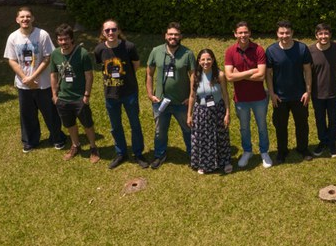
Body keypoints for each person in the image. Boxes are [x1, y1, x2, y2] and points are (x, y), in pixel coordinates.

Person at [3, 7, 66, 153]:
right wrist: (25, 78)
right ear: (17, 20)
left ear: (33, 18)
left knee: (50, 113)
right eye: (22, 17)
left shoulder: (42, 35)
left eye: (28, 16)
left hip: (43, 84)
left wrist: (33, 76)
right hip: (24, 85)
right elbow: (12, 60)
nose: (25, 19)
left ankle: (57, 138)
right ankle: (30, 141)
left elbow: (47, 57)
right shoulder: (13, 37)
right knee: (27, 115)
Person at [94, 19, 149, 169]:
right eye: (107, 30)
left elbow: (136, 66)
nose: (111, 33)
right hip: (110, 95)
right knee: (115, 126)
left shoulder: (129, 47)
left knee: (135, 124)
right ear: (103, 33)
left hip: (129, 92)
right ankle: (121, 153)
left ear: (118, 31)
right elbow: (101, 65)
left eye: (113, 29)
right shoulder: (99, 50)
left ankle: (138, 153)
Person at [145, 22, 196, 169]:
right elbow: (149, 73)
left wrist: (191, 97)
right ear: (165, 36)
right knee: (160, 131)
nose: (173, 37)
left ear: (180, 36)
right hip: (160, 101)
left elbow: (193, 76)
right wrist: (150, 94)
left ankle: (193, 155)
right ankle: (160, 155)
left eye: (176, 34)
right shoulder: (156, 51)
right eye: (170, 34)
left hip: (182, 102)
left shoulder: (188, 54)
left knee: (188, 129)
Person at [50, 23, 100, 163]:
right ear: (57, 40)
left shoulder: (82, 53)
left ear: (72, 39)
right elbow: (53, 75)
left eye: (66, 39)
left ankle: (93, 147)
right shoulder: (55, 54)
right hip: (63, 98)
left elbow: (89, 76)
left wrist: (86, 95)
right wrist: (54, 95)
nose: (63, 42)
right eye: (60, 39)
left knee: (87, 124)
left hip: (79, 98)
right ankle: (75, 145)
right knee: (70, 124)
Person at [224, 21, 272, 169]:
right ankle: (248, 151)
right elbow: (229, 77)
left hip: (259, 98)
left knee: (262, 126)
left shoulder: (258, 50)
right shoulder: (230, 51)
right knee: (244, 127)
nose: (243, 35)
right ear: (235, 34)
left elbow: (261, 76)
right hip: (241, 99)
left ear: (250, 33)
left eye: (245, 32)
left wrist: (241, 74)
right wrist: (252, 71)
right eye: (240, 32)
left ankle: (264, 152)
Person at [266, 20, 313, 163]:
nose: (284, 36)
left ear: (292, 33)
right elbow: (268, 74)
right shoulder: (271, 50)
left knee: (302, 124)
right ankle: (282, 151)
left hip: (299, 96)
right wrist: (272, 93)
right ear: (277, 34)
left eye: (287, 33)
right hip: (280, 97)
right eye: (281, 33)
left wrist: (308, 91)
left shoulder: (302, 49)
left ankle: (303, 148)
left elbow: (307, 70)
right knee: (280, 126)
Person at [188, 49, 234, 175]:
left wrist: (227, 113)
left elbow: (225, 94)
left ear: (213, 60)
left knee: (221, 137)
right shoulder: (195, 76)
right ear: (199, 61)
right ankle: (204, 163)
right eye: (202, 59)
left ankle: (225, 162)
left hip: (217, 110)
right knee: (202, 138)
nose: (206, 62)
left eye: (208, 59)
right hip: (200, 111)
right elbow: (192, 96)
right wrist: (189, 115)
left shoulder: (219, 75)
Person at [309, 22, 336, 157]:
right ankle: (322, 141)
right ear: (316, 35)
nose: (323, 36)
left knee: (333, 118)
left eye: (326, 33)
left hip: (334, 90)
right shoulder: (310, 50)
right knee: (320, 118)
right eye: (320, 34)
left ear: (330, 34)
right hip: (317, 92)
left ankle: (332, 142)